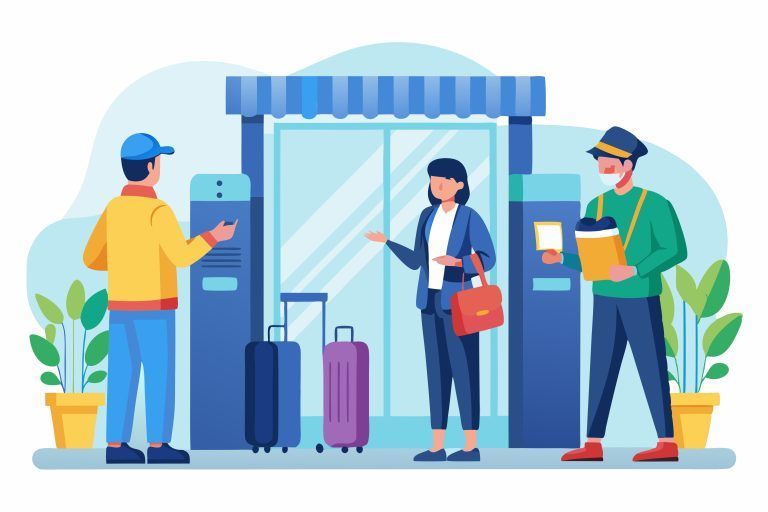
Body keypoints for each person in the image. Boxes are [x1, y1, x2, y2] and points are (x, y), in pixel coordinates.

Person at [83, 133, 237, 464]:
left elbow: (91, 258)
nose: (160, 167)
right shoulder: (157, 210)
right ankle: (158, 446)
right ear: (151, 166)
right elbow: (181, 256)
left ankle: (115, 447)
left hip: (121, 308)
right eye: (160, 161)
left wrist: (126, 261)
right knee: (159, 376)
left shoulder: (114, 208)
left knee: (122, 375)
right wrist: (214, 236)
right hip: (156, 307)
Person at [543, 126, 687, 462]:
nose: (603, 168)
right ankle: (593, 442)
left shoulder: (654, 204)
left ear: (628, 164)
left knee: (651, 366)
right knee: (601, 367)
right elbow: (592, 259)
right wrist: (561, 258)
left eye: (609, 162)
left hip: (641, 296)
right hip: (605, 296)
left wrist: (636, 269)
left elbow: (675, 249)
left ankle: (667, 442)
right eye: (600, 162)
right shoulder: (596, 205)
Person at [365, 158, 495, 462]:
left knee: (465, 371)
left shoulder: (469, 217)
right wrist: (387, 243)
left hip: (460, 304)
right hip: (429, 302)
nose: (438, 185)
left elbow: (488, 257)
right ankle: (437, 445)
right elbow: (416, 261)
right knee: (436, 373)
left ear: (460, 185)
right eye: (434, 179)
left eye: (445, 180)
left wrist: (459, 263)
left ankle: (470, 445)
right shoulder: (427, 216)